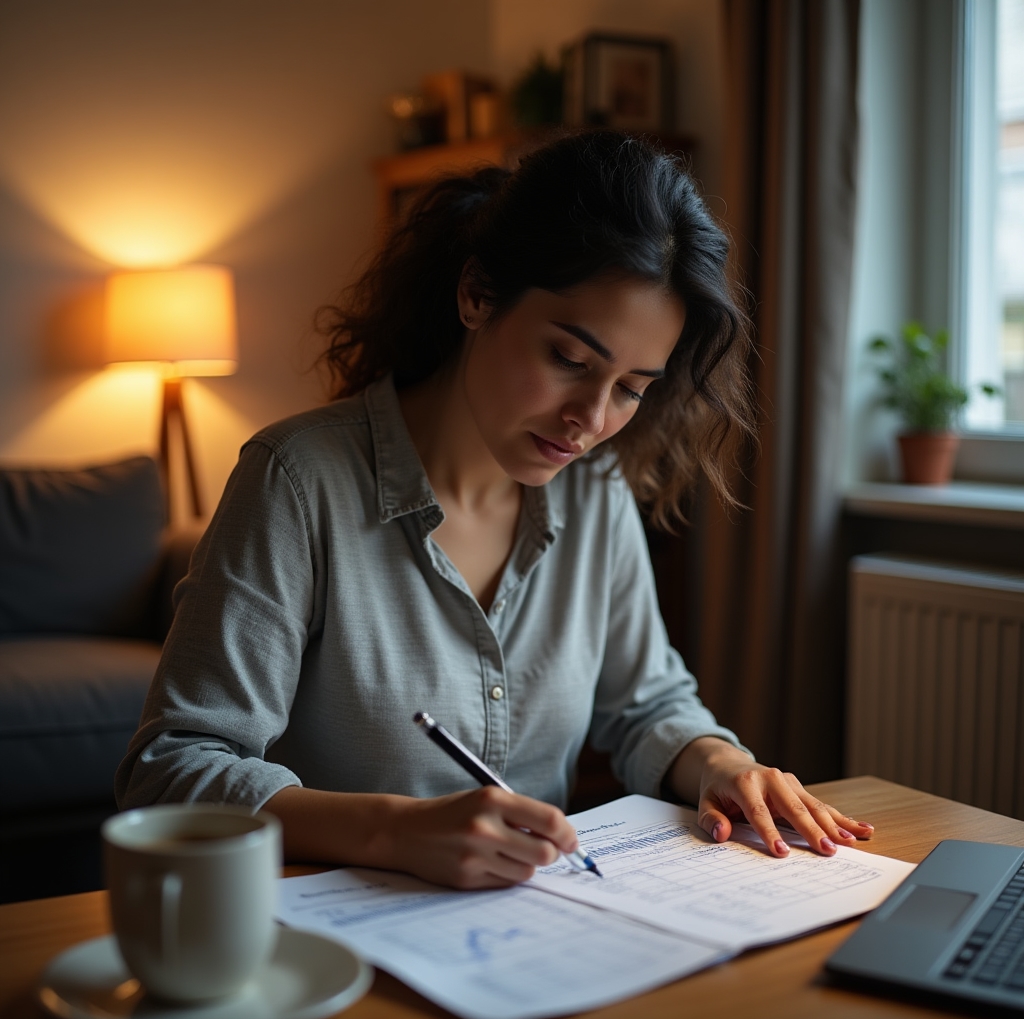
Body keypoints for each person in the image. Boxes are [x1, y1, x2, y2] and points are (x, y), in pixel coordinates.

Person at [115, 131, 872, 890]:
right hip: (327, 938)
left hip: (526, 934)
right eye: (569, 361)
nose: (590, 418)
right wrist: (392, 831)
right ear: (477, 294)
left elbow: (647, 704)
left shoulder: (595, 493)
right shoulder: (297, 480)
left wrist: (722, 762)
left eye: (632, 388)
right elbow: (173, 767)